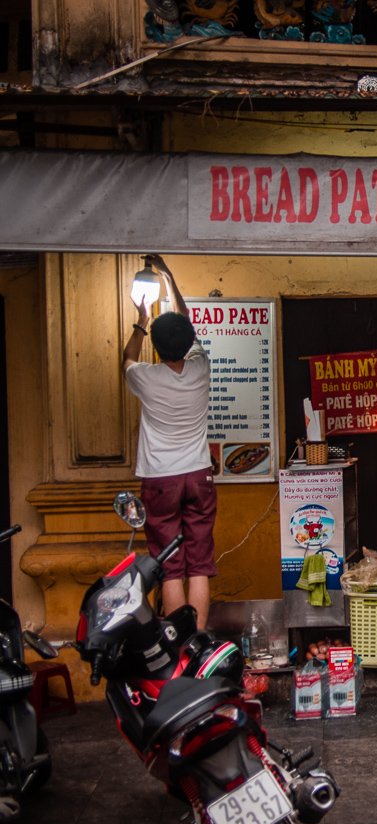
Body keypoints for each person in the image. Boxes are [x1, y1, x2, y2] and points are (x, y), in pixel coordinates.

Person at [122, 255, 216, 630]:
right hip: (199, 476)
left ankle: (178, 646)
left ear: (157, 348)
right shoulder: (201, 368)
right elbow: (187, 322)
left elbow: (127, 357)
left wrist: (142, 320)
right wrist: (169, 276)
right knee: (199, 563)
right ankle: (198, 642)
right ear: (189, 342)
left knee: (170, 564)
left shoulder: (145, 377)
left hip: (160, 479)